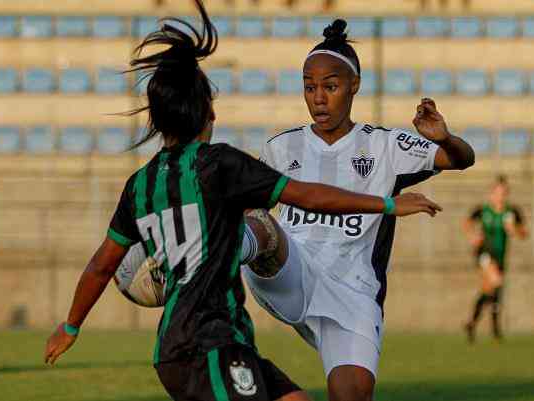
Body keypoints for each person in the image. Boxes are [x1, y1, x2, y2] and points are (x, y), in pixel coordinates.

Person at [43, 4, 443, 401]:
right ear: (207, 112)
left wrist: (71, 326)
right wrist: (388, 205)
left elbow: (101, 264)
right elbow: (306, 195)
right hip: (209, 342)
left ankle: (241, 246)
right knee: (262, 226)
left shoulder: (140, 184)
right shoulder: (220, 164)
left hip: (200, 343)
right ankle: (242, 245)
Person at [240, 19, 475, 401]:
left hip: (354, 292)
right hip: (292, 269)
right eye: (309, 87)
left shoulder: (385, 146)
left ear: (354, 86)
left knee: (353, 394)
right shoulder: (281, 149)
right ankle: (205, 261)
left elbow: (460, 159)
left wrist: (445, 137)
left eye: (330, 87)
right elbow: (252, 210)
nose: (318, 98)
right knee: (259, 223)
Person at [462, 175, 527, 343]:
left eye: (504, 192)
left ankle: (472, 323)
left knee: (489, 291)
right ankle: (496, 329)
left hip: (500, 256)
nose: (500, 196)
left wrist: (514, 230)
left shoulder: (512, 212)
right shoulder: (483, 210)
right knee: (496, 282)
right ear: (491, 193)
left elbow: (524, 234)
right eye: (497, 192)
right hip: (484, 254)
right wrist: (473, 236)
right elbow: (466, 223)